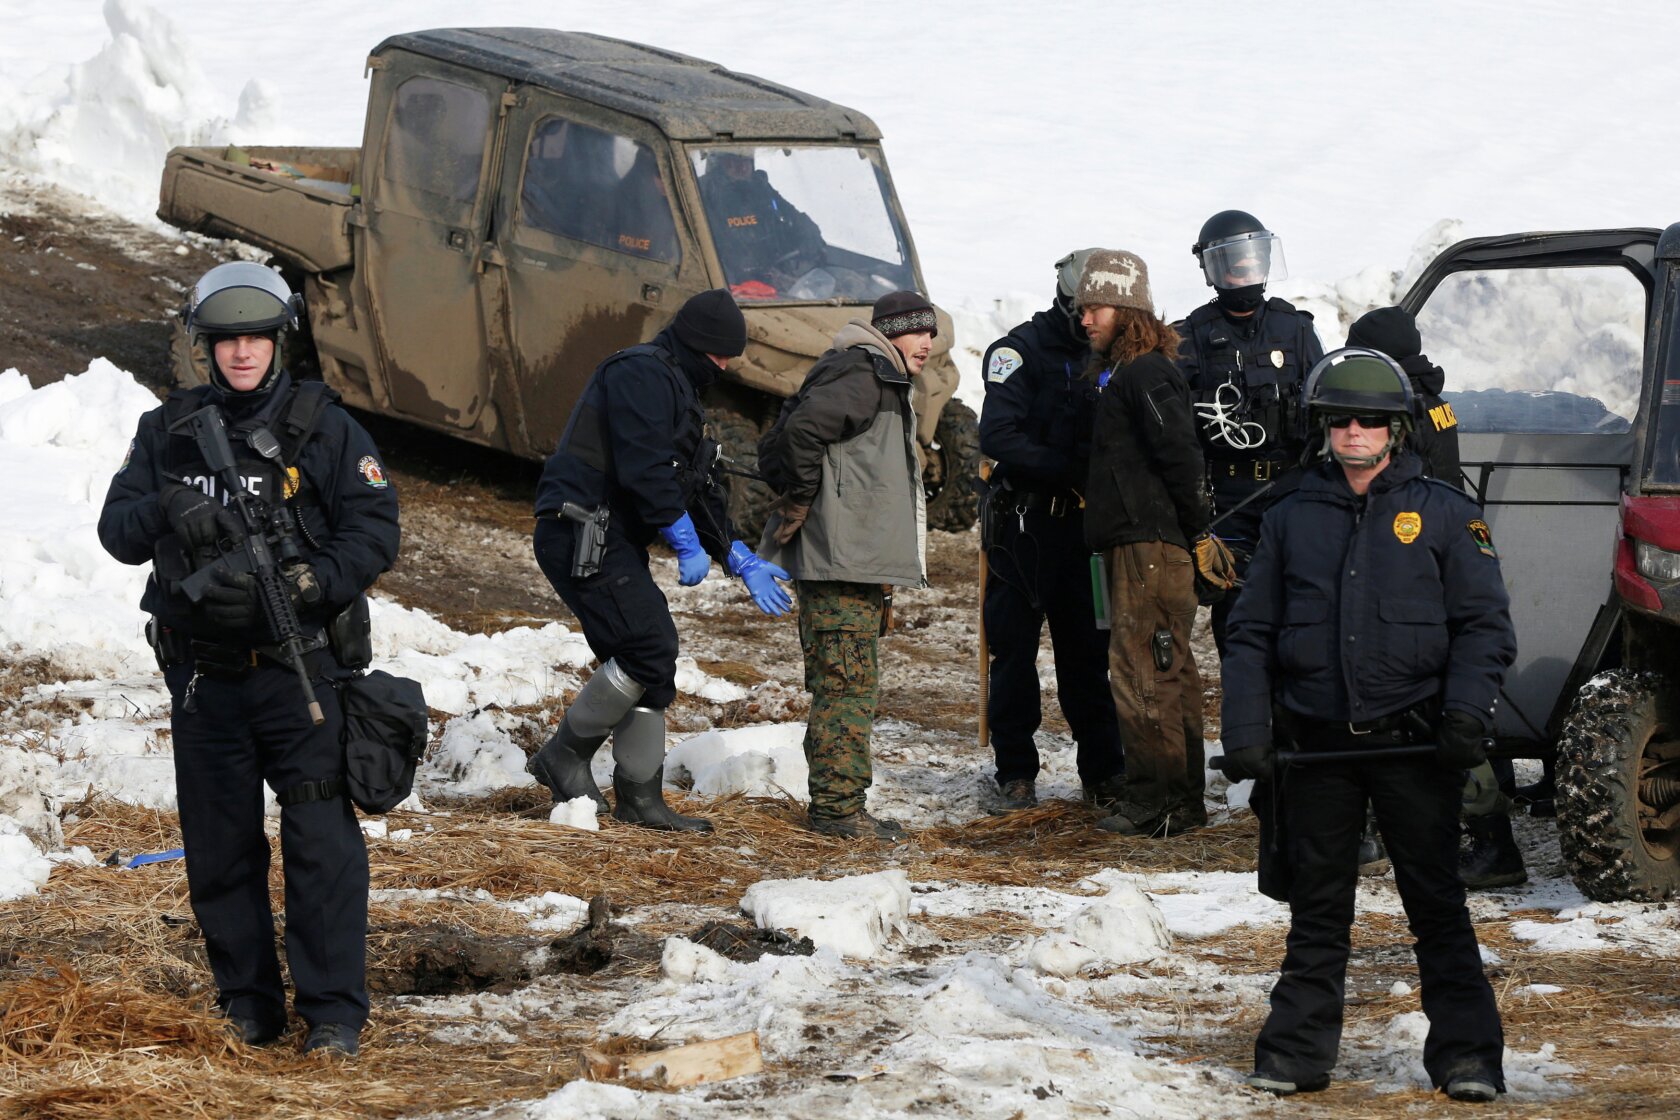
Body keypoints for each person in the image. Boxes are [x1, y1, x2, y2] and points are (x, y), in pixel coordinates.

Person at [98, 262, 401, 1057]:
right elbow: (116, 530)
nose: (241, 353)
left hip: (297, 672)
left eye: (255, 339)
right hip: (206, 681)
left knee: (320, 847)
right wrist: (171, 505)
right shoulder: (167, 431)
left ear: (278, 342)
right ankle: (248, 1004)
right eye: (226, 340)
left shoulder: (326, 429)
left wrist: (310, 583)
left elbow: (374, 532)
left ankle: (333, 1013)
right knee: (220, 847)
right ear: (206, 347)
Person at [1219, 347, 1516, 1102]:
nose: (1354, 432)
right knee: (1318, 911)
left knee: (1437, 905)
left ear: (1397, 429)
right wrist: (1245, 730)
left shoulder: (1447, 513)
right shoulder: (1288, 516)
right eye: (1340, 420)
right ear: (1322, 428)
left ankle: (1467, 1056)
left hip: (1415, 744)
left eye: (1370, 421)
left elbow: (1484, 626)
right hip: (1316, 747)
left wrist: (1464, 714)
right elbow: (1249, 631)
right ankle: (1293, 1053)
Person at [528, 289, 792, 832]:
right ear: (697, 344)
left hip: (611, 536)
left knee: (646, 664)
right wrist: (681, 537)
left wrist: (735, 554)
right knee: (649, 646)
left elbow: (695, 481)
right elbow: (644, 466)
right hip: (580, 528)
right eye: (719, 355)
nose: (723, 367)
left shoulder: (679, 389)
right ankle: (564, 755)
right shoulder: (640, 374)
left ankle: (640, 798)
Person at [1344, 306, 1523, 889]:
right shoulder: (1433, 397)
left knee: (1431, 699)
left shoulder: (1403, 405)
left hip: (1414, 561)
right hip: (1440, 554)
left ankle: (1490, 841)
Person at [756, 290, 931, 840]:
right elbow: (802, 434)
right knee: (846, 685)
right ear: (892, 331)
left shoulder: (877, 374)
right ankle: (837, 810)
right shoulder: (864, 373)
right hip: (839, 560)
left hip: (853, 559)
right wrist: (803, 498)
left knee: (847, 681)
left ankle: (839, 802)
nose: (927, 343)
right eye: (917, 331)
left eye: (932, 333)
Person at [1078, 250, 1232, 837]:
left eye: (1094, 307)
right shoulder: (1129, 372)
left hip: (1150, 548)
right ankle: (1175, 798)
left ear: (1126, 308)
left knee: (1145, 669)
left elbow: (1182, 456)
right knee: (1162, 667)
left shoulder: (1146, 372)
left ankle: (1159, 801)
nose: (1085, 319)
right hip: (1137, 545)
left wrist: (1197, 532)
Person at [977, 249, 1126, 813]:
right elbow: (999, 435)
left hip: (1085, 532)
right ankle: (1015, 770)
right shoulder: (1020, 351)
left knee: (1089, 655)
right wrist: (1068, 467)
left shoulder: (1115, 354)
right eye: (1084, 309)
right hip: (1024, 529)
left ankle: (1104, 771)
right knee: (1014, 654)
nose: (1091, 321)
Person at [1173, 210, 1324, 655]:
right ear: (1213, 270)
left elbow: (1324, 401)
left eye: (1252, 260)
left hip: (1290, 489)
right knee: (1238, 615)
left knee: (1300, 608)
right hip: (1229, 498)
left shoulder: (1296, 327)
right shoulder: (1191, 335)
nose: (1244, 272)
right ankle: (1247, 710)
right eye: (1232, 263)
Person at [697, 150, 826, 296]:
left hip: (772, 274)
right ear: (720, 163)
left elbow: (791, 214)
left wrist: (809, 233)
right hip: (726, 284)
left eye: (746, 161)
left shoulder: (760, 186)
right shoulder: (703, 191)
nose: (742, 167)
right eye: (734, 161)